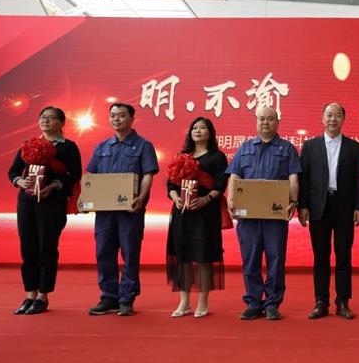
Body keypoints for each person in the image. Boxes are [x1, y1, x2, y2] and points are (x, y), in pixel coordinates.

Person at [226, 106, 301, 321]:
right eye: (261, 119)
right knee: (250, 259)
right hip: (248, 216)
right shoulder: (245, 147)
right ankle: (253, 302)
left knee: (276, 259)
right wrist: (231, 199)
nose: (265, 123)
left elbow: (294, 177)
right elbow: (234, 176)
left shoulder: (287, 148)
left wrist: (293, 201)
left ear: (277, 122)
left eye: (270, 119)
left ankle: (272, 304)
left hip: (274, 216)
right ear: (256, 121)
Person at [86, 103, 159, 316]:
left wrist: (141, 198)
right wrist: (87, 199)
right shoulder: (102, 146)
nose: (116, 119)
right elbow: (91, 176)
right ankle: (109, 297)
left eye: (121, 115)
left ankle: (127, 298)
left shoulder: (143, 145)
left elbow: (148, 174)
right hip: (105, 211)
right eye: (112, 115)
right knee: (104, 252)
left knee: (130, 252)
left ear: (132, 119)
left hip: (130, 210)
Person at [7, 106, 82, 315]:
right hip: (27, 202)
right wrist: (20, 181)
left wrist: (54, 185)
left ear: (61, 123)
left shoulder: (68, 147)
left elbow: (75, 174)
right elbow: (13, 171)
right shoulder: (29, 144)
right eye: (42, 117)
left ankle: (43, 295)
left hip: (52, 202)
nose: (45, 120)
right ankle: (30, 294)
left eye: (51, 118)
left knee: (47, 248)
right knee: (28, 247)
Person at [299, 103, 359, 320]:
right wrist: (303, 206)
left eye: (337, 115)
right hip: (319, 206)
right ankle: (321, 301)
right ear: (322, 118)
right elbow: (304, 178)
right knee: (320, 256)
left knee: (343, 255)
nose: (333, 119)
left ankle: (343, 302)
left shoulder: (354, 147)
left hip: (344, 206)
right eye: (329, 115)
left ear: (343, 119)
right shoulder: (310, 146)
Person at [166, 117, 228, 318]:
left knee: (203, 256)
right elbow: (171, 185)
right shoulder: (182, 155)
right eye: (194, 128)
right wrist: (176, 198)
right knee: (182, 256)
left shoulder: (217, 156)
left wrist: (206, 199)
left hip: (205, 213)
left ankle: (203, 301)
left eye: (202, 128)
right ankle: (184, 302)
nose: (198, 131)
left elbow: (220, 184)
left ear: (210, 133)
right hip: (182, 212)